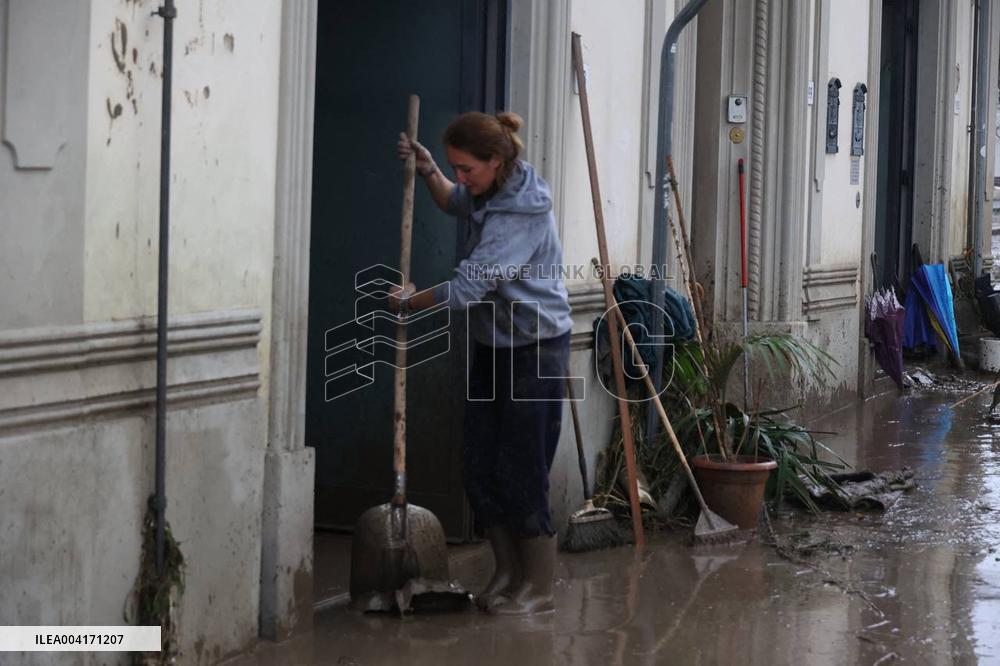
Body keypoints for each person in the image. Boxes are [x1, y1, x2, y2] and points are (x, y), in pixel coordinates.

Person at [395, 111, 572, 615]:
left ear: (496, 161)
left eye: (466, 168)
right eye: (457, 166)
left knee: (521, 465)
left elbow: (473, 285)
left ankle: (537, 586)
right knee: (479, 462)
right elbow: (456, 200)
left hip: (535, 347)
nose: (463, 177)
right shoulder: (486, 188)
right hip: (494, 343)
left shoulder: (523, 211)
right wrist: (431, 171)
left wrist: (411, 301)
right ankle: (507, 571)